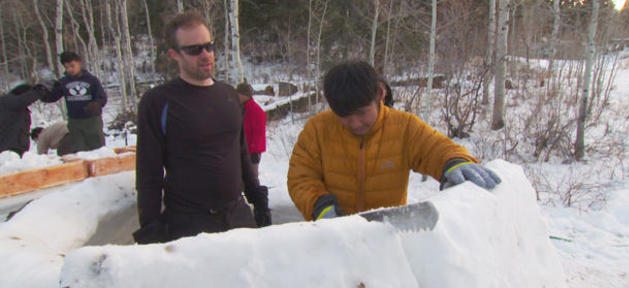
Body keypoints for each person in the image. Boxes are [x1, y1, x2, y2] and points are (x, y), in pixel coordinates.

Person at [287, 60, 500, 222]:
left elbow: (435, 149)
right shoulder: (317, 129)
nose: (354, 123)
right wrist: (320, 206)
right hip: (333, 235)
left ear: (379, 95)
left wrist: (455, 161)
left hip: (388, 236)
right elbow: (301, 178)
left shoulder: (404, 126)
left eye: (361, 113)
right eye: (344, 116)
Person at [134, 10, 271, 244]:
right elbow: (149, 173)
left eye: (209, 46)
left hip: (237, 218)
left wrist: (257, 198)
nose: (205, 54)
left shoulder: (228, 95)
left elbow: (240, 151)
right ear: (174, 54)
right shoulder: (158, 102)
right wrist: (150, 226)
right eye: (194, 49)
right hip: (188, 225)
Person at [40, 51, 107, 154]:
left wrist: (96, 104)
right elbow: (52, 97)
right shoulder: (63, 82)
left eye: (72, 66)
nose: (70, 69)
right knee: (79, 151)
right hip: (74, 122)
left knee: (98, 150)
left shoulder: (92, 80)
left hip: (92, 120)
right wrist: (42, 92)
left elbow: (102, 98)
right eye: (67, 67)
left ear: (79, 63)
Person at [0, 84, 46, 156]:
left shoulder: (14, 107)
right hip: (10, 147)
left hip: (15, 146)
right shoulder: (9, 101)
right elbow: (25, 99)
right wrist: (40, 91)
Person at [236, 82, 267, 181]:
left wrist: (254, 152)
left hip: (251, 151)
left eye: (238, 94)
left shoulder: (256, 111)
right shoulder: (240, 108)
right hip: (240, 149)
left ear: (245, 95)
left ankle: (256, 195)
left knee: (252, 177)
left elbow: (259, 134)